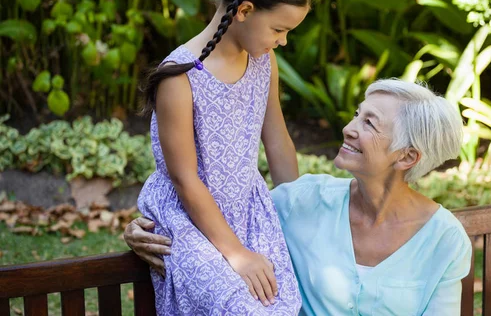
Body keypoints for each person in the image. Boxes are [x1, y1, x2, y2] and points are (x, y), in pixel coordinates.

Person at [128, 78, 472, 315]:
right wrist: (148, 229)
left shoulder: (444, 240)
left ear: (407, 157)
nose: (348, 128)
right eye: (357, 114)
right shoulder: (303, 202)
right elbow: (226, 219)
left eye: (369, 123)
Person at [137, 0, 310, 315]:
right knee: (237, 307)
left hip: (248, 211)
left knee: (281, 304)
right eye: (279, 30)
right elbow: (185, 180)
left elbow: (277, 140)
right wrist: (237, 254)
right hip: (190, 218)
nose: (282, 41)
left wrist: (298, 210)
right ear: (245, 11)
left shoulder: (264, 61)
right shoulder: (180, 77)